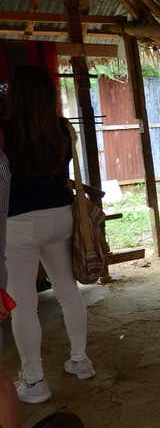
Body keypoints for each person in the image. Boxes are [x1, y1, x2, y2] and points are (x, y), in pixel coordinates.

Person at [4, 65, 95, 404]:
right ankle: (80, 360)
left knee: (23, 303)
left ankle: (34, 381)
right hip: (61, 216)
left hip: (19, 224)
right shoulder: (61, 128)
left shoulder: (6, 132)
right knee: (68, 290)